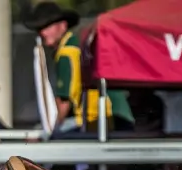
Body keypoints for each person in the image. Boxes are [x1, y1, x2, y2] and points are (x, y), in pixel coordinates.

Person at [24, 2, 134, 134]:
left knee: (44, 133)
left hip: (103, 120)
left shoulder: (67, 53)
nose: (42, 32)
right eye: (39, 28)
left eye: (47, 26)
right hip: (117, 116)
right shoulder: (79, 45)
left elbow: (65, 101)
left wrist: (50, 132)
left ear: (63, 26)